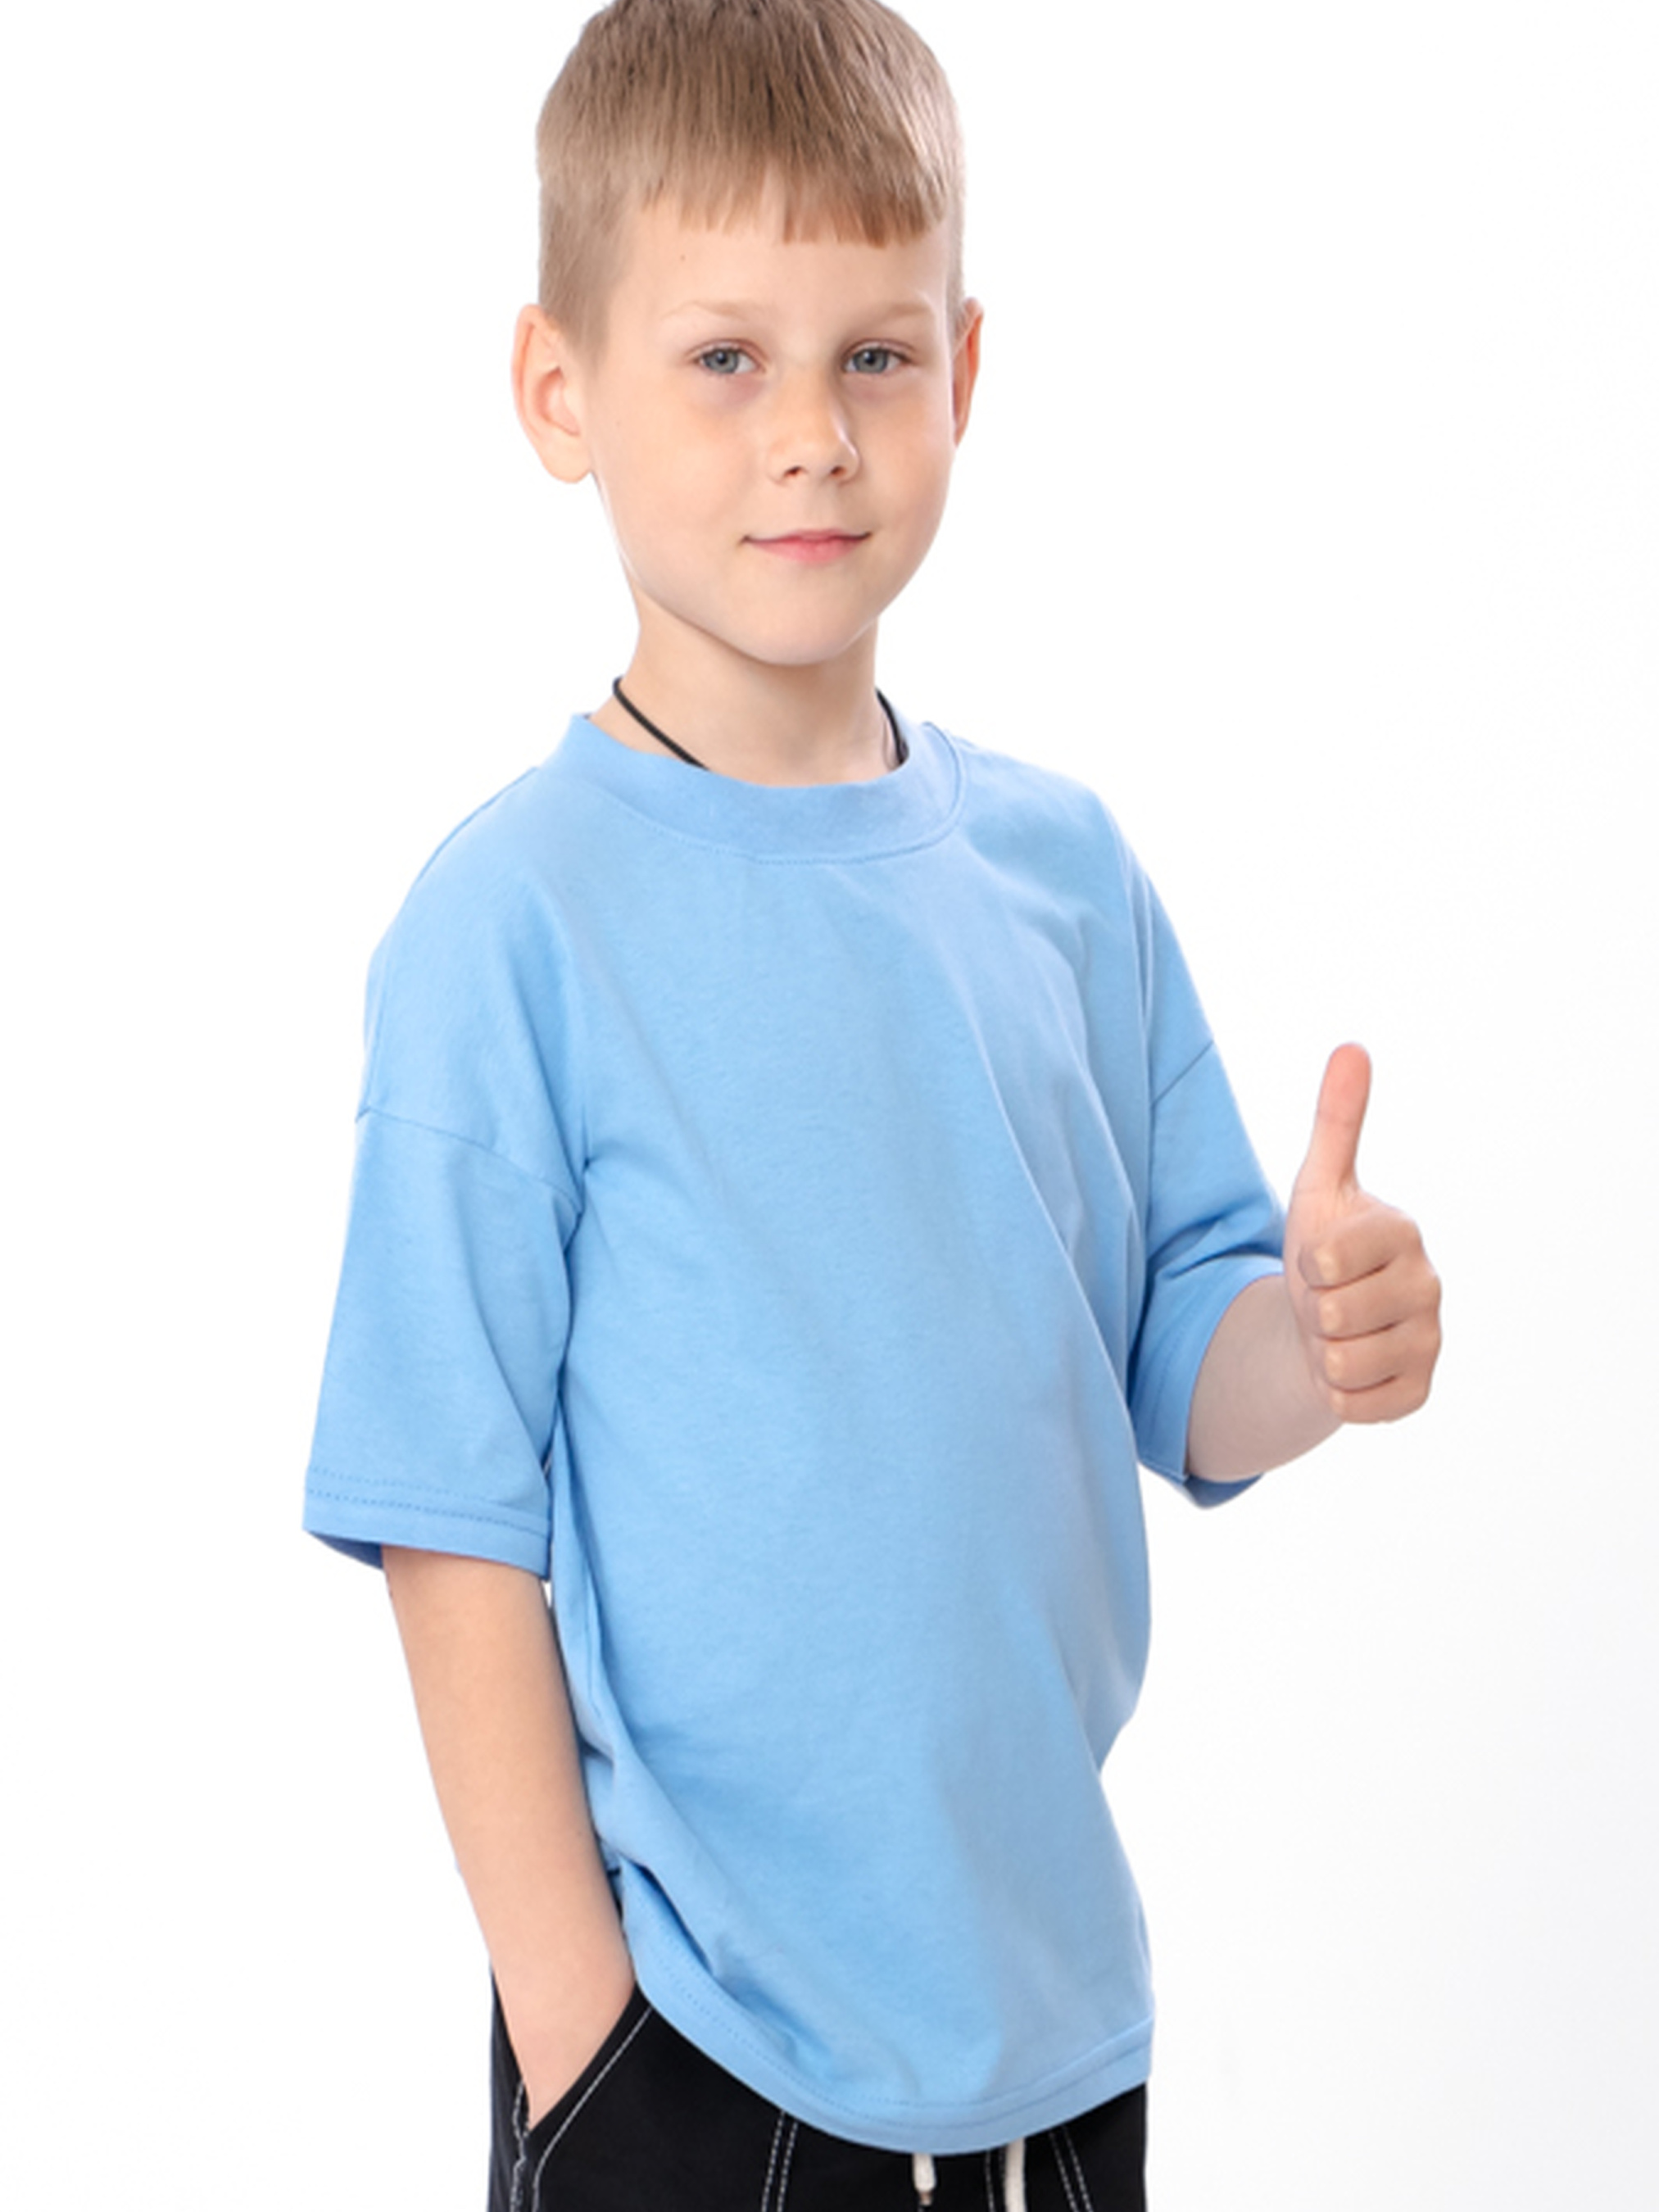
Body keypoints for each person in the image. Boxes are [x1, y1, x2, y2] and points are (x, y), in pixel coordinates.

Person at [303, 2, 1442, 2205]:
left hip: (1049, 2035)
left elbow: (1183, 1361)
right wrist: (583, 2044)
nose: (811, 438)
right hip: (691, 2050)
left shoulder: (1062, 877)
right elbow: (448, 1517)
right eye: (726, 358)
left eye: (875, 356)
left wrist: (1315, 1342)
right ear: (559, 389)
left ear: (966, 369)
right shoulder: (514, 928)